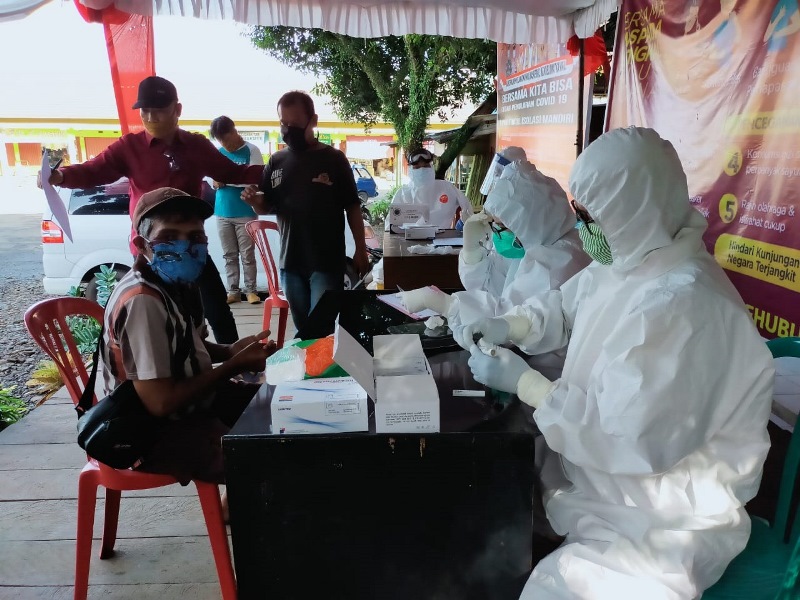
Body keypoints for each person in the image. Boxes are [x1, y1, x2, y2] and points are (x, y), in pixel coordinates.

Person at [462, 127, 774, 599]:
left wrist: (528, 385)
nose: (583, 228)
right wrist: (511, 326)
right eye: (580, 213)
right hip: (600, 485)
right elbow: (565, 307)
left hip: (662, 519)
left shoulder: (685, 307)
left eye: (590, 217)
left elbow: (627, 437)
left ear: (633, 211)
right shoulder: (629, 264)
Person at [39, 75, 263, 344]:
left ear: (177, 110)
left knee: (213, 307)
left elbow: (233, 172)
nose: (151, 117)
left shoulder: (195, 146)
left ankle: (232, 366)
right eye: (145, 111)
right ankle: (164, 373)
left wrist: (279, 170)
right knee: (154, 313)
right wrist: (60, 176)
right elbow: (94, 169)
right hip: (149, 250)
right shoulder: (129, 148)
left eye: (159, 110)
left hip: (190, 246)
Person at [101, 187, 276, 487]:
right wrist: (233, 366)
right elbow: (160, 403)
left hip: (189, 405)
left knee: (279, 403)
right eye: (170, 237)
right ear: (142, 245)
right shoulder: (143, 301)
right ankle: (245, 506)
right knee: (270, 451)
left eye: (196, 237)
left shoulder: (170, 282)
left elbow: (178, 346)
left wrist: (229, 350)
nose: (185, 246)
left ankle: (240, 499)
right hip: (150, 433)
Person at [400, 159, 589, 374]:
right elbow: (487, 288)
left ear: (528, 221)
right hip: (521, 361)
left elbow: (508, 320)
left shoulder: (556, 261)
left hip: (542, 370)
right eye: (495, 224)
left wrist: (448, 305)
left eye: (502, 225)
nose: (498, 232)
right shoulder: (532, 241)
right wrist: (472, 253)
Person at [241, 91, 368, 333]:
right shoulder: (276, 161)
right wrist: (254, 202)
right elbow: (267, 205)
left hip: (326, 261)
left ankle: (322, 368)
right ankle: (309, 366)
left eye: (295, 123)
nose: (288, 129)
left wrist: (361, 250)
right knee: (302, 324)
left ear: (313, 120)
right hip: (291, 261)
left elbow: (352, 206)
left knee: (321, 327)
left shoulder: (333, 159)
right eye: (283, 123)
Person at [209, 115, 263, 305]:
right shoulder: (219, 152)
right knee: (229, 254)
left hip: (245, 211)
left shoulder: (251, 151)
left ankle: (251, 290)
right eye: (220, 140)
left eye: (225, 138)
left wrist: (229, 181)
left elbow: (256, 180)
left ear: (234, 131)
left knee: (247, 254)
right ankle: (233, 291)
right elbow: (213, 181)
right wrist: (216, 182)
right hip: (222, 211)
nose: (224, 143)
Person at [389, 148, 473, 229]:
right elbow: (390, 227)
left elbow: (468, 210)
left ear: (432, 167)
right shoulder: (402, 194)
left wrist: (464, 223)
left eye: (425, 166)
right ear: (410, 170)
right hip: (409, 240)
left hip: (442, 239)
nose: (422, 170)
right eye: (417, 167)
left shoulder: (447, 188)